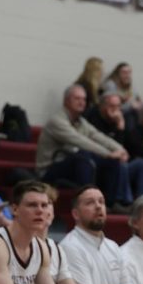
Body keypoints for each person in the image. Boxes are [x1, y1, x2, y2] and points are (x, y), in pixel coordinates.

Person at [36, 84, 132, 212]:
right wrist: (107, 154)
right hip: (49, 169)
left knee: (112, 162)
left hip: (72, 164)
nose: (82, 102)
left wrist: (120, 150)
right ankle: (87, 203)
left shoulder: (81, 122)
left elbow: (98, 136)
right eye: (77, 98)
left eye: (84, 99)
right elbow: (80, 141)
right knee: (84, 156)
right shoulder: (57, 121)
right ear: (66, 100)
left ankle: (111, 203)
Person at [103, 62, 143, 127]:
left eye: (129, 72)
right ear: (118, 74)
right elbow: (114, 108)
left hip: (130, 113)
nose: (127, 75)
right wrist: (131, 105)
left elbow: (137, 98)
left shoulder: (130, 84)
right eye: (124, 73)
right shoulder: (111, 85)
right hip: (115, 115)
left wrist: (139, 103)